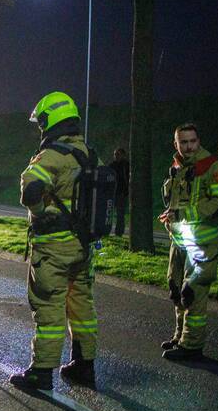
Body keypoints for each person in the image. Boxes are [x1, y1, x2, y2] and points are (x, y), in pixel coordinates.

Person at [10, 92, 100, 390]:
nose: (41, 128)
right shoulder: (88, 152)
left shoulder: (51, 155)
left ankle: (42, 372)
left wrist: (38, 214)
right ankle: (83, 366)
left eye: (42, 122)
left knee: (48, 305)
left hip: (53, 248)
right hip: (83, 247)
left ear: (51, 120)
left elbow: (30, 188)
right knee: (81, 306)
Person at [159, 124, 218, 360]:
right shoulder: (178, 167)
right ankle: (180, 337)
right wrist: (171, 216)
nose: (188, 146)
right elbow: (175, 201)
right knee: (177, 289)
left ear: (199, 141)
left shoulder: (213, 167)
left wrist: (184, 215)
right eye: (184, 142)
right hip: (179, 241)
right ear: (176, 144)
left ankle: (192, 346)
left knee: (193, 293)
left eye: (192, 141)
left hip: (201, 243)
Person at [110, 147, 130, 236]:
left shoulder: (126, 165)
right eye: (115, 154)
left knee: (120, 214)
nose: (116, 156)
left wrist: (126, 191)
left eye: (118, 154)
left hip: (121, 192)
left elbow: (127, 179)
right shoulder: (112, 165)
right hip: (112, 192)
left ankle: (119, 232)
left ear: (123, 155)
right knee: (110, 212)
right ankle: (107, 229)